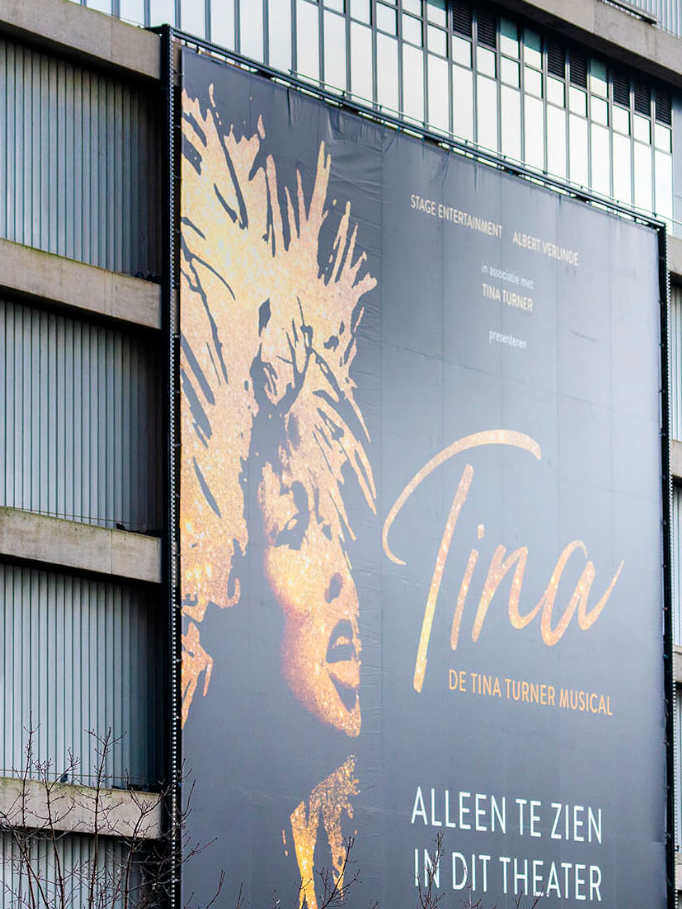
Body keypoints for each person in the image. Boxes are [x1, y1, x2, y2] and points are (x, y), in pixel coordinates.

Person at [177, 85, 378, 909]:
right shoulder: (207, 846)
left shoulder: (319, 859)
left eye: (339, 534)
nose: (346, 586)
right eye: (298, 524)